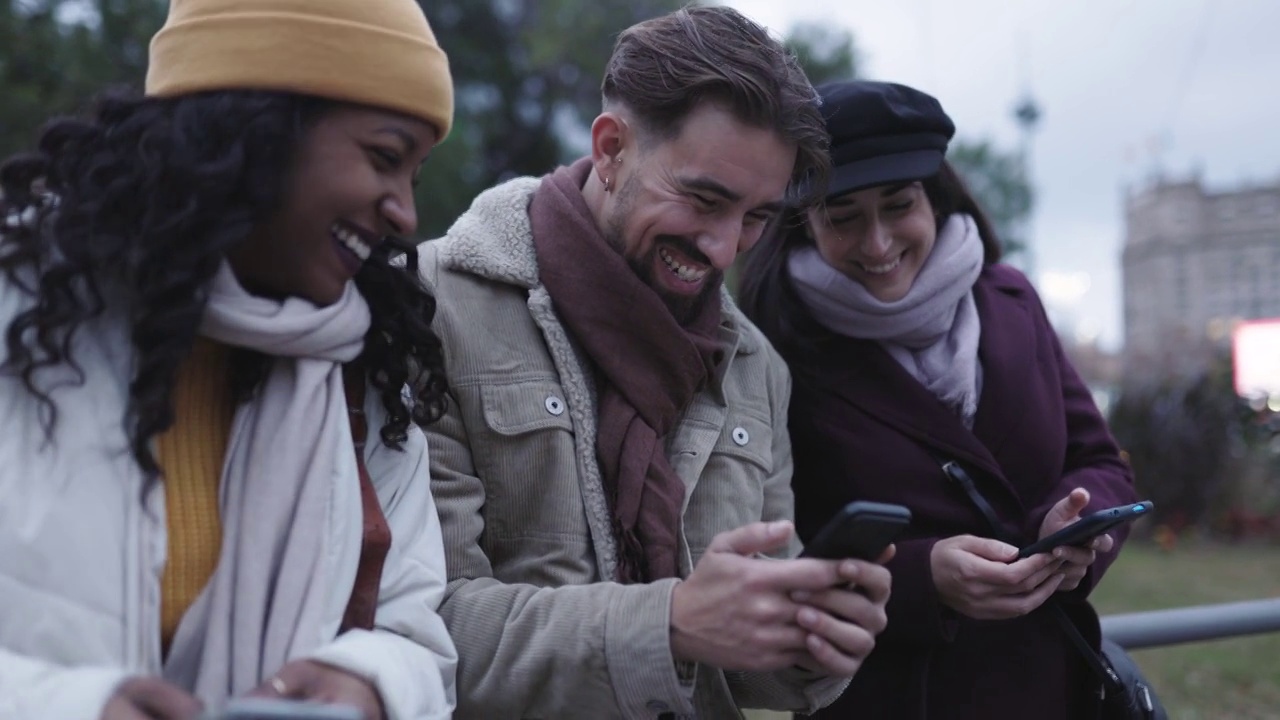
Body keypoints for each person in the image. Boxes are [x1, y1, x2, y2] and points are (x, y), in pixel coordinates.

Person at [418, 7, 892, 719]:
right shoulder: (430, 309)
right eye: (704, 200)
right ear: (610, 149)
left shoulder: (755, 365)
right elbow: (424, 628)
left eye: (759, 218)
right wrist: (669, 624)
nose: (726, 249)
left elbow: (753, 673)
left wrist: (812, 642)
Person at [0, 1, 458, 718]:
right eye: (384, 158)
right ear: (255, 129)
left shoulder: (361, 371)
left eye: (416, 177)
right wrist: (71, 706)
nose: (405, 212)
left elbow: (417, 628)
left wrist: (368, 682)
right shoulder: (21, 312)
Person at [738, 79, 1139, 720]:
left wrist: (1076, 531)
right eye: (844, 218)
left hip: (1050, 688)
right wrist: (924, 582)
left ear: (937, 197)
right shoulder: (770, 347)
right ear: (804, 225)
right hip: (886, 698)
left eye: (899, 205)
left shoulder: (1012, 301)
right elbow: (763, 554)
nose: (878, 243)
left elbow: (1102, 461)